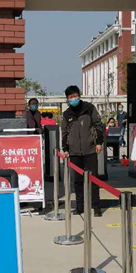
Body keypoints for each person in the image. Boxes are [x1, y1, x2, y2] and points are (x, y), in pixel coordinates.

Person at [60, 85, 104, 217]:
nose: (73, 99)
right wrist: (65, 149)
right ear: (67, 99)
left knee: (93, 179)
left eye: (75, 96)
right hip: (74, 152)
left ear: (79, 95)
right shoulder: (66, 114)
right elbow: (64, 132)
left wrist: (99, 142)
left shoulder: (89, 108)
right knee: (77, 181)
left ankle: (96, 206)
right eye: (70, 97)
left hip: (90, 149)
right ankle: (80, 206)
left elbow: (98, 125)